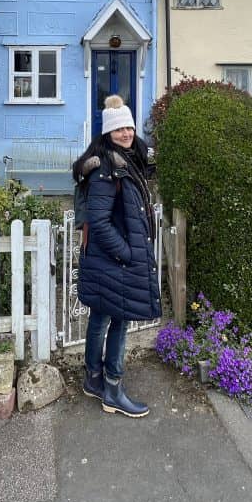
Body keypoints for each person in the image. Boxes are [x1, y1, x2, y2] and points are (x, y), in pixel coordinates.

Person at [71, 95, 160, 418]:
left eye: (129, 128)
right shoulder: (106, 170)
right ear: (108, 133)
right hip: (115, 257)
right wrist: (127, 252)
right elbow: (99, 221)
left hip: (105, 257)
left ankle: (93, 378)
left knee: (100, 317)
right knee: (119, 321)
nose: (126, 133)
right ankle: (112, 391)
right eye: (119, 129)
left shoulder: (128, 160)